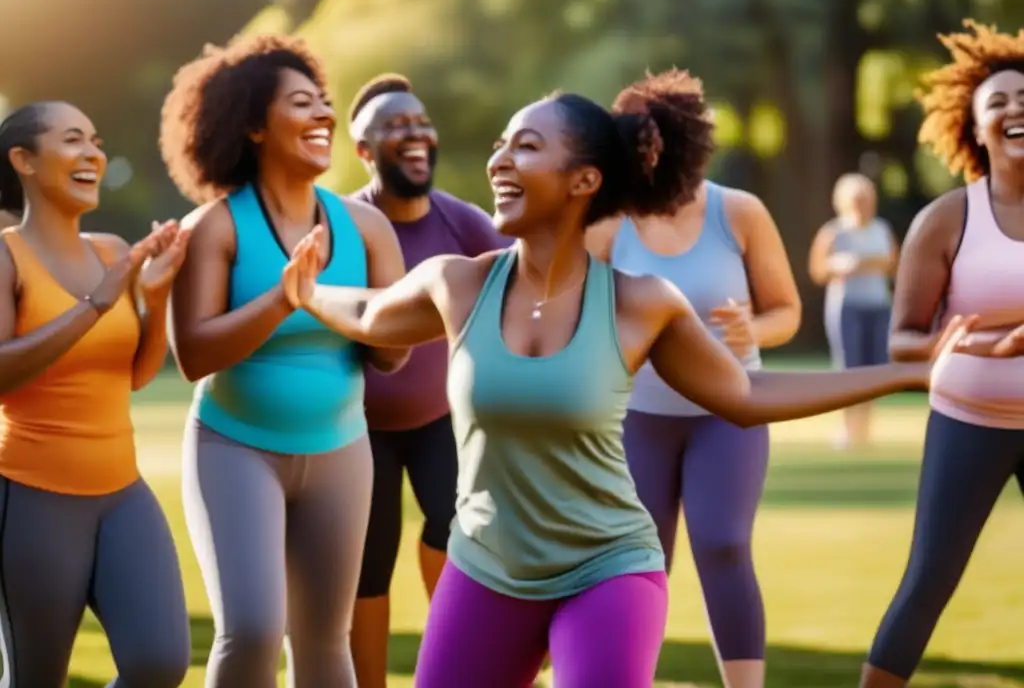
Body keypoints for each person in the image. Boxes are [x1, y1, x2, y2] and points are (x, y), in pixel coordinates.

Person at [280, 90, 944, 688]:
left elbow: (744, 396)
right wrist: (307, 293)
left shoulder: (640, 305)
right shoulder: (456, 284)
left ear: (585, 180)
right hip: (485, 567)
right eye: (500, 147)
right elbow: (368, 314)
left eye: (527, 147)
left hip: (606, 569)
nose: (500, 162)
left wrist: (906, 372)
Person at [159, 35, 409, 688]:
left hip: (341, 451)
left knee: (327, 641)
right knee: (253, 632)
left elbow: (389, 356)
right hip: (235, 449)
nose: (324, 115)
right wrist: (283, 298)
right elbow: (193, 355)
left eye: (325, 103)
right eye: (302, 103)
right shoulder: (214, 228)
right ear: (252, 126)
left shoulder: (367, 228)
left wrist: (387, 316)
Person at [585, 69, 801, 688]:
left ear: (685, 147)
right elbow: (585, 316)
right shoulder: (609, 225)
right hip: (640, 421)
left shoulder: (739, 212)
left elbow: (787, 310)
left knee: (724, 542)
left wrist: (753, 332)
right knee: (637, 562)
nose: (648, 159)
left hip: (728, 414)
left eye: (658, 146)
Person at [0, 101, 191, 687]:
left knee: (159, 662)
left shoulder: (111, 251)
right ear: (24, 160)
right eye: (73, 140)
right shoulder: (6, 254)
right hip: (32, 496)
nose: (93, 154)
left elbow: (134, 374)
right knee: (38, 678)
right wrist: (97, 304)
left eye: (97, 140)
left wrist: (153, 299)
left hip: (121, 493)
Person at [860, 21, 1024, 688]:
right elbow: (902, 339)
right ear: (976, 127)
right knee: (930, 577)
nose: (1016, 111)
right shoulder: (949, 218)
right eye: (1000, 103)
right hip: (971, 418)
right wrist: (985, 340)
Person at [346, 73, 511, 688]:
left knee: (457, 531)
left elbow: (520, 282)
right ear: (364, 151)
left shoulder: (462, 221)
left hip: (439, 420)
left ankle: (456, 669)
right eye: (394, 126)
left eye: (420, 122)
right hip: (358, 427)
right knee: (368, 562)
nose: (413, 134)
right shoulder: (347, 223)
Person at [809, 172, 899, 449]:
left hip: (878, 305)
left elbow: (894, 264)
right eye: (857, 199)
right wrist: (839, 265)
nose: (863, 204)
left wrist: (870, 263)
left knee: (873, 368)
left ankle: (865, 428)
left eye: (867, 199)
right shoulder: (833, 232)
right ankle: (847, 428)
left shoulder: (882, 229)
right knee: (849, 368)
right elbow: (817, 270)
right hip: (847, 307)